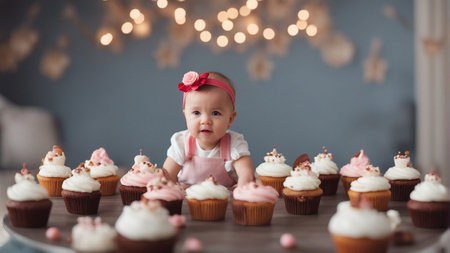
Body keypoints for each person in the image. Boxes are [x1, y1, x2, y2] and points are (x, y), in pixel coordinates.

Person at [163, 71, 255, 188]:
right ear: (186, 115)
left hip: (222, 203)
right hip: (186, 203)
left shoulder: (234, 144)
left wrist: (243, 187)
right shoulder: (181, 143)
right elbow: (167, 175)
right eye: (196, 112)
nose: (205, 121)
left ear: (230, 119)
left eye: (215, 113)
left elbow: (246, 172)